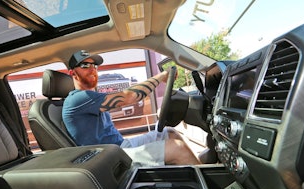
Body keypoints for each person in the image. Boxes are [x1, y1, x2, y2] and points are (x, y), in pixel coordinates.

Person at [62, 50, 201, 167]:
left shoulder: (92, 96)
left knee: (170, 133)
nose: (92, 69)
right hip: (108, 157)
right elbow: (129, 97)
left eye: (95, 65)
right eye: (85, 65)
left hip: (120, 145)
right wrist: (161, 77)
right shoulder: (77, 99)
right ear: (72, 73)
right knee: (178, 148)